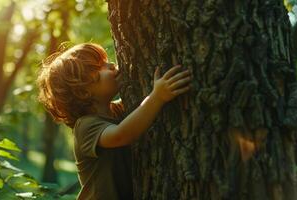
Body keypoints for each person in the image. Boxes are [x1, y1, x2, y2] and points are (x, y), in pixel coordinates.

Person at [36, 42, 192, 200]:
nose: (110, 64)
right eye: (99, 67)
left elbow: (140, 111)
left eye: (105, 61)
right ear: (83, 91)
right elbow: (121, 135)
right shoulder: (85, 126)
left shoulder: (115, 110)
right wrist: (157, 97)